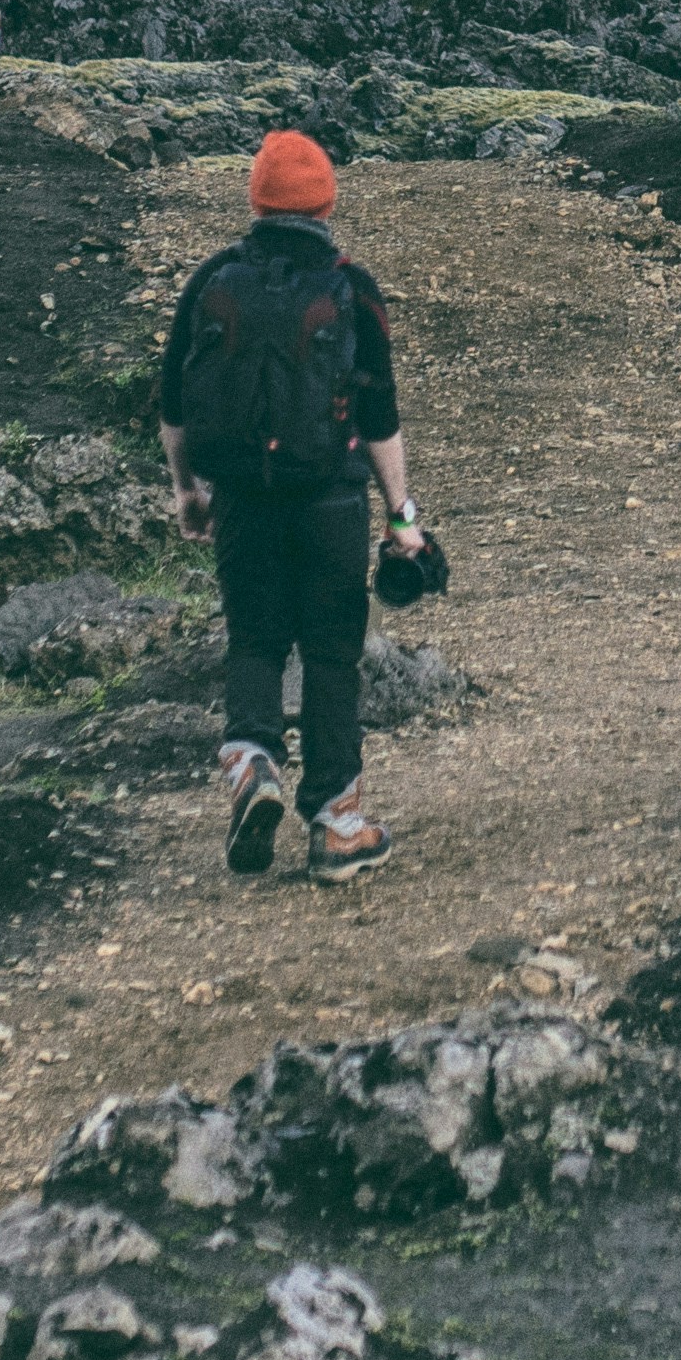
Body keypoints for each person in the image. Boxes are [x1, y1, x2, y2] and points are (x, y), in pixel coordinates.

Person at [158, 128, 417, 877]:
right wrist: (402, 518)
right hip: (330, 500)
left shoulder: (212, 279)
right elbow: (380, 416)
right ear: (327, 202)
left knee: (255, 639)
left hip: (241, 495)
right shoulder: (351, 285)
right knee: (334, 655)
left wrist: (187, 490)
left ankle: (251, 764)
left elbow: (174, 399)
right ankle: (337, 826)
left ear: (257, 199)